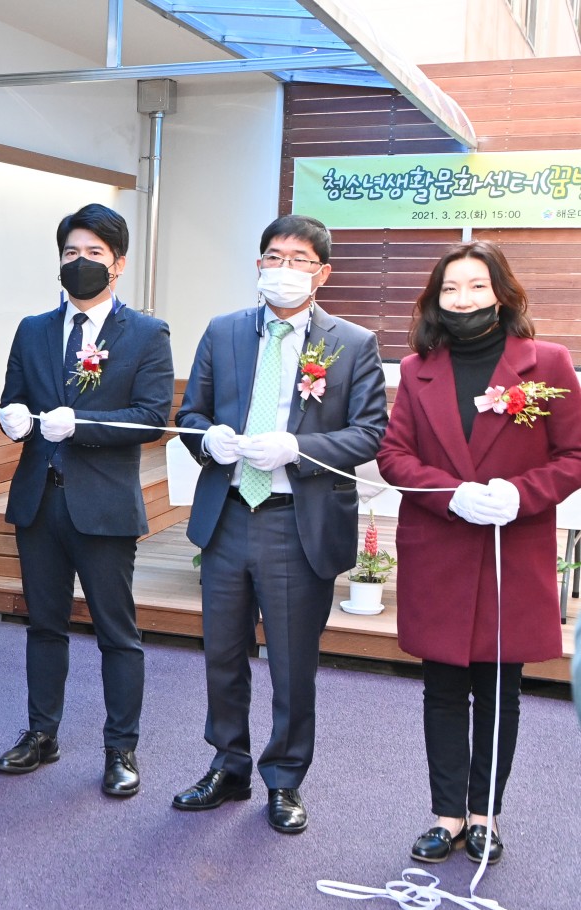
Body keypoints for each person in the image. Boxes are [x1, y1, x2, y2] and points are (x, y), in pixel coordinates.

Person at [174, 214, 387, 834]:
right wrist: (206, 439)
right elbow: (191, 414)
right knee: (222, 654)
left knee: (292, 663)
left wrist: (299, 448)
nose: (283, 269)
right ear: (258, 263)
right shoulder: (224, 331)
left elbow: (369, 431)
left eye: (298, 260)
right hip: (228, 515)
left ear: (323, 273)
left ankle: (286, 778)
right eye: (273, 256)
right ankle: (228, 765)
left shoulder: (353, 343)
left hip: (297, 520)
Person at [377, 240, 581, 866]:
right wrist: (453, 494)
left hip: (508, 550)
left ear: (501, 293)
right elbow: (393, 456)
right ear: (435, 300)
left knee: (499, 691)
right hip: (439, 547)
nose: (462, 299)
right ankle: (446, 816)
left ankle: (485, 815)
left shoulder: (547, 362)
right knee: (440, 688)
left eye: (476, 286)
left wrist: (521, 494)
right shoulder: (418, 369)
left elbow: (574, 455)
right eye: (450, 289)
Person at [0, 204, 172, 795]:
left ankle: (121, 748)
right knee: (43, 626)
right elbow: (14, 400)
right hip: (39, 500)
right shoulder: (33, 329)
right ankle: (41, 734)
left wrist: (84, 424)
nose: (80, 262)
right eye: (71, 252)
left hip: (104, 504)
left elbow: (151, 417)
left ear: (118, 264)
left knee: (117, 632)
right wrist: (13, 419)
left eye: (94, 253)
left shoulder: (145, 333)